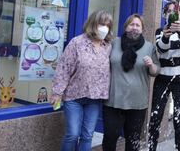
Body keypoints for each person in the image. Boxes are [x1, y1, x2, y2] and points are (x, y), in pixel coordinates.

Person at [51, 10, 113, 151]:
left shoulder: (108, 47)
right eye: (101, 24)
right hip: (74, 96)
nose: (104, 28)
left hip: (95, 98)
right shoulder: (77, 43)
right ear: (93, 24)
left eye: (107, 25)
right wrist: (57, 92)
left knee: (87, 135)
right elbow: (64, 68)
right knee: (73, 134)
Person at [102, 14, 160, 151]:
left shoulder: (149, 47)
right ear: (126, 27)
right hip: (113, 101)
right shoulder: (114, 43)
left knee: (133, 141)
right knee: (110, 137)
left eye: (137, 25)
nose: (134, 27)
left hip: (137, 103)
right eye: (131, 24)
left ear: (142, 29)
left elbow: (156, 71)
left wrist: (151, 65)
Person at [148, 1, 180, 151]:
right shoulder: (159, 32)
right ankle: (151, 148)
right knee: (155, 117)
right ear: (164, 14)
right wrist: (166, 36)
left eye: (174, 11)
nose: (171, 13)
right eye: (168, 11)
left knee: (179, 119)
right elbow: (161, 49)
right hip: (163, 79)